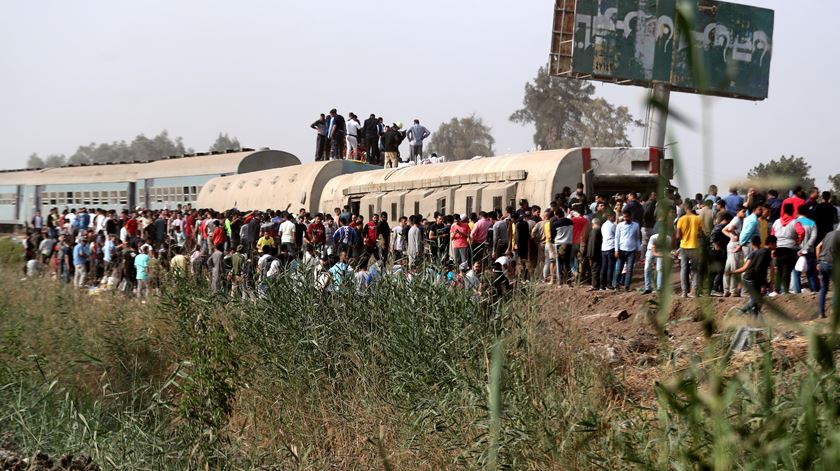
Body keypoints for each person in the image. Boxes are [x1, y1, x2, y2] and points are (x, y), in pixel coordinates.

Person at [730, 235, 775, 315]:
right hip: (751, 279)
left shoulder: (761, 252)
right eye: (775, 243)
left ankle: (754, 321)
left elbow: (770, 268)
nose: (776, 246)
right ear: (771, 243)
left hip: (752, 278)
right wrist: (763, 284)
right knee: (756, 299)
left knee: (756, 301)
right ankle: (739, 314)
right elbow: (759, 268)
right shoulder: (765, 252)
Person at [771, 203, 804, 295]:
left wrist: (773, 249)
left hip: (778, 248)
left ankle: (776, 290)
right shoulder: (795, 222)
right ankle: (785, 290)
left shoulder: (776, 222)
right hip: (790, 248)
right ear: (792, 211)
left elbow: (772, 236)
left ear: (784, 211)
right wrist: (799, 241)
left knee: (779, 270)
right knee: (787, 270)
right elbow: (801, 232)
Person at [676, 200, 703, 297]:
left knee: (684, 269)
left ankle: (684, 292)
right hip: (695, 246)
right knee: (695, 270)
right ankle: (695, 292)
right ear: (692, 207)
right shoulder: (698, 219)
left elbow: (678, 236)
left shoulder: (681, 219)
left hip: (684, 247)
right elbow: (700, 234)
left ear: (684, 208)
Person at [613, 209, 641, 291]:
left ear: (630, 217)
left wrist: (638, 249)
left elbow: (637, 238)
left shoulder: (636, 225)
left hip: (631, 250)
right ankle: (616, 285)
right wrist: (616, 250)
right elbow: (617, 238)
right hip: (621, 250)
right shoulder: (619, 225)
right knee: (619, 269)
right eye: (624, 217)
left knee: (629, 269)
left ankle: (627, 286)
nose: (625, 219)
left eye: (627, 217)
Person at [722, 207, 745, 297]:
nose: (744, 213)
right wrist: (735, 235)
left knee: (728, 269)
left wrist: (731, 237)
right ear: (738, 212)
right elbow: (729, 229)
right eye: (743, 211)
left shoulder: (734, 219)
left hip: (731, 244)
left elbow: (723, 230)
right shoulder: (737, 220)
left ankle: (726, 290)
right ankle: (733, 291)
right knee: (734, 269)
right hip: (735, 245)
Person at [816, 227, 837, 318]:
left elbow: (818, 247)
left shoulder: (829, 234)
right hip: (833, 264)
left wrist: (818, 262)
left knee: (823, 288)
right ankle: (834, 311)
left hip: (822, 263)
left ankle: (821, 313)